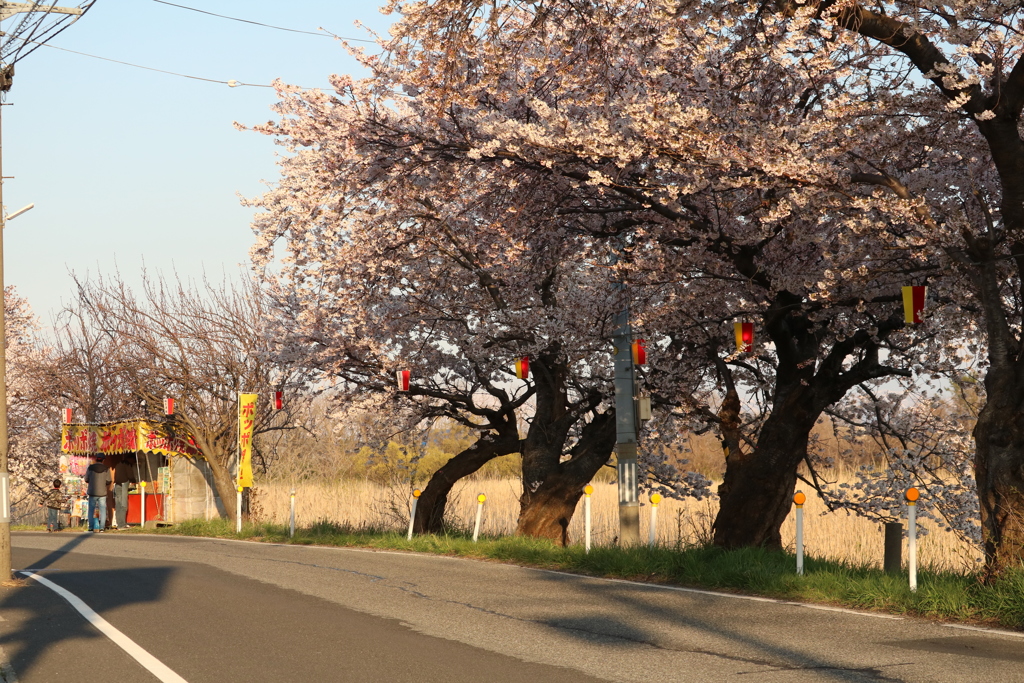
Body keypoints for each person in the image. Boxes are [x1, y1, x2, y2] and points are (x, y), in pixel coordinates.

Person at [84, 454, 112, 532]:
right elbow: (108, 480)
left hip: (92, 492)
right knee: (103, 510)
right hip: (102, 492)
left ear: (96, 459)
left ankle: (91, 527)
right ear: (103, 460)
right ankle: (102, 527)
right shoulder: (106, 468)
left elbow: (86, 479)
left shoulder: (90, 468)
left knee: (91, 510)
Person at [112, 455, 136, 529]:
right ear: (131, 459)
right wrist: (135, 481)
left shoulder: (118, 464)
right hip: (123, 485)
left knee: (118, 505)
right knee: (123, 505)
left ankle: (118, 523)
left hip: (116, 485)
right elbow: (130, 475)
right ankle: (122, 525)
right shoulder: (127, 464)